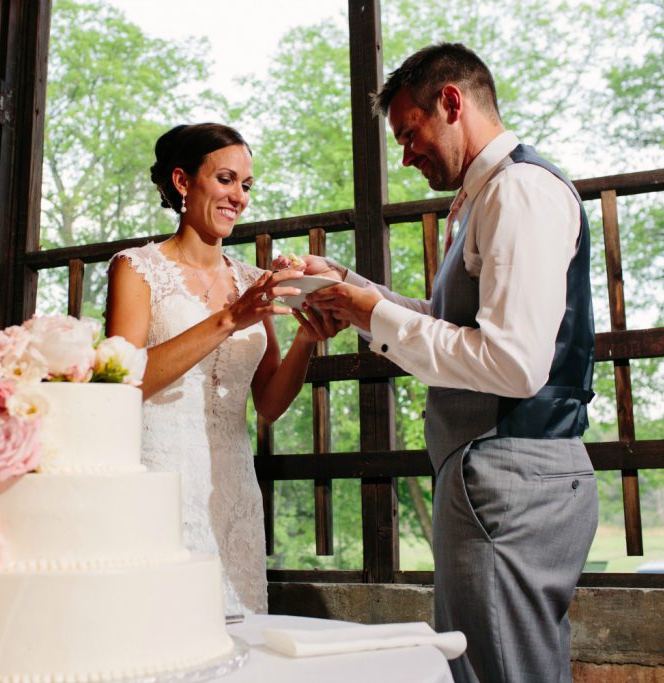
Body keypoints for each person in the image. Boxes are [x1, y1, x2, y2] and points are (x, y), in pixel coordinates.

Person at [297, 43, 599, 682]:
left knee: (498, 673)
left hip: (510, 477)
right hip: (498, 477)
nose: (405, 154)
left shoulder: (518, 191)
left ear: (452, 102)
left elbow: (513, 364)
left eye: (409, 133)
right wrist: (355, 291)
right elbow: (461, 330)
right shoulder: (487, 194)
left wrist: (370, 314)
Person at [104, 123, 335, 615]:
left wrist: (306, 341)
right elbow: (123, 385)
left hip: (232, 489)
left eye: (246, 185)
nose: (239, 197)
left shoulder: (252, 281)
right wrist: (231, 318)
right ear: (183, 182)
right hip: (159, 478)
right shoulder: (136, 268)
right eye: (227, 179)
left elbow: (270, 404)